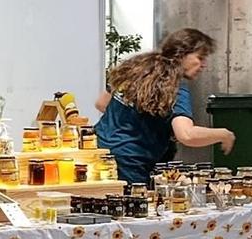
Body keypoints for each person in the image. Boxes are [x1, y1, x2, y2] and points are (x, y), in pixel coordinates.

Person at [94, 28, 236, 185]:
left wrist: (140, 122)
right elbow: (187, 135)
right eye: (200, 58)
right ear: (182, 53)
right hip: (129, 164)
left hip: (95, 153)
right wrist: (224, 134)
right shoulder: (174, 86)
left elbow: (102, 104)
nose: (203, 65)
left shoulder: (136, 67)